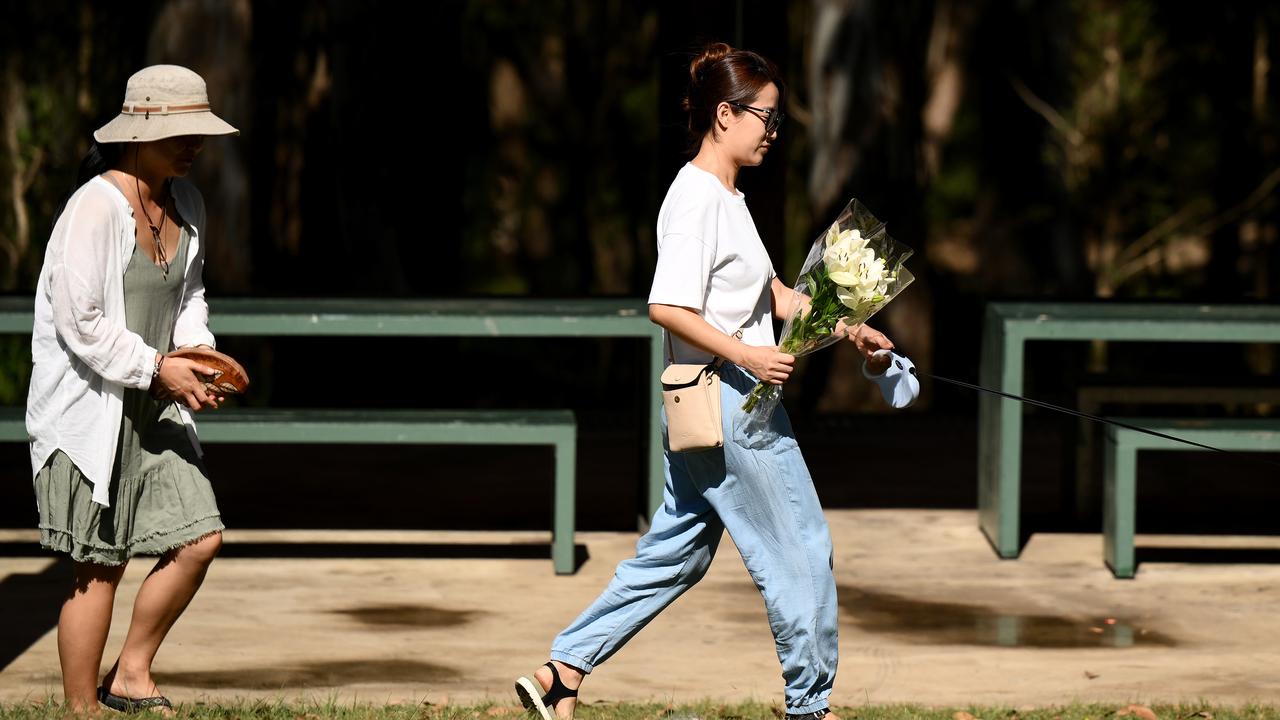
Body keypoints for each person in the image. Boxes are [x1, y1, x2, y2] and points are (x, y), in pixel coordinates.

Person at [515, 42, 896, 720]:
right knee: (801, 547)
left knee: (677, 555)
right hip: (730, 403)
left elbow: (774, 295)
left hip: (704, 406)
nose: (773, 132)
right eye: (766, 118)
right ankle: (811, 708)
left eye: (778, 121)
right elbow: (665, 306)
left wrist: (851, 327)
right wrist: (746, 357)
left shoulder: (728, 198)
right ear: (726, 115)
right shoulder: (694, 199)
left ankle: (561, 672)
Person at [26, 64, 238, 715]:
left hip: (155, 402)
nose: (194, 143)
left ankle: (131, 674)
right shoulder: (95, 207)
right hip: (92, 412)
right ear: (137, 132)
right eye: (180, 130)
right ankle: (80, 708)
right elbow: (80, 321)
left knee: (200, 538)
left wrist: (196, 358)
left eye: (200, 130)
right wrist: (157, 367)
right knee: (100, 565)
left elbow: (189, 294)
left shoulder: (187, 203)